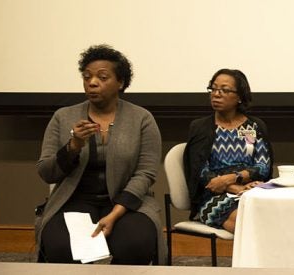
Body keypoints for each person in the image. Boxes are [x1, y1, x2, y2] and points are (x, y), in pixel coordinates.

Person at [35, 44, 164, 264]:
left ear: (120, 82)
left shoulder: (142, 118)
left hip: (126, 203)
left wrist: (115, 214)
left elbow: (146, 173)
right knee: (61, 248)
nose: (92, 82)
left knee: (134, 245)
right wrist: (73, 145)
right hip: (73, 201)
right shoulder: (62, 117)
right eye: (87, 77)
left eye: (102, 77)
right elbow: (47, 172)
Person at [184, 69, 272, 232]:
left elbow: (262, 166)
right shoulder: (201, 128)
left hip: (251, 189)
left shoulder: (250, 128)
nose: (216, 94)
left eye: (224, 90)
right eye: (213, 89)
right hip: (214, 196)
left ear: (239, 97)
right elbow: (200, 172)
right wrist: (234, 188)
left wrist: (235, 179)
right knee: (247, 220)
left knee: (274, 216)